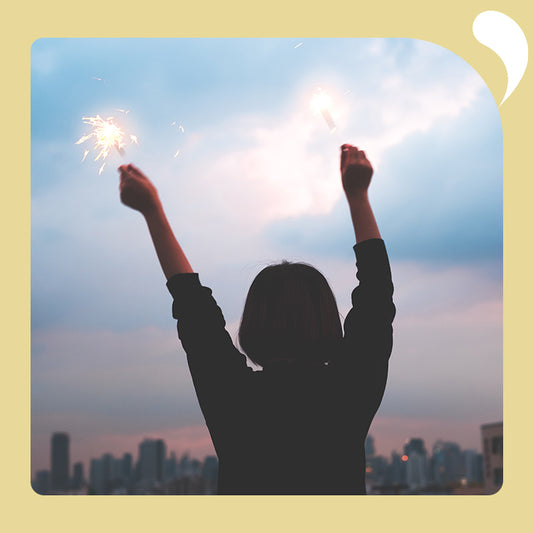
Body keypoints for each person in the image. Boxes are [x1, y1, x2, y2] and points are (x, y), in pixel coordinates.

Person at [118, 144, 395, 494]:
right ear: (326, 319)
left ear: (254, 321)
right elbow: (377, 294)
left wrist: (152, 211)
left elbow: (194, 308)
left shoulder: (232, 395)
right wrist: (358, 196)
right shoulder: (349, 388)